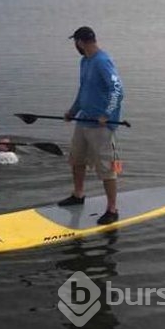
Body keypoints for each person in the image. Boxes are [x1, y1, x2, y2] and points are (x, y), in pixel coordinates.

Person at [59, 26, 124, 225]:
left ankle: (112, 209)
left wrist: (107, 114)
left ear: (80, 42)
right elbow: (83, 90)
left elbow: (117, 90)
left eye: (75, 42)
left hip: (101, 126)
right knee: (76, 159)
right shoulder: (84, 61)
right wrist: (73, 111)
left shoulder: (103, 61)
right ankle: (78, 195)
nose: (75, 46)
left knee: (107, 167)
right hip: (83, 120)